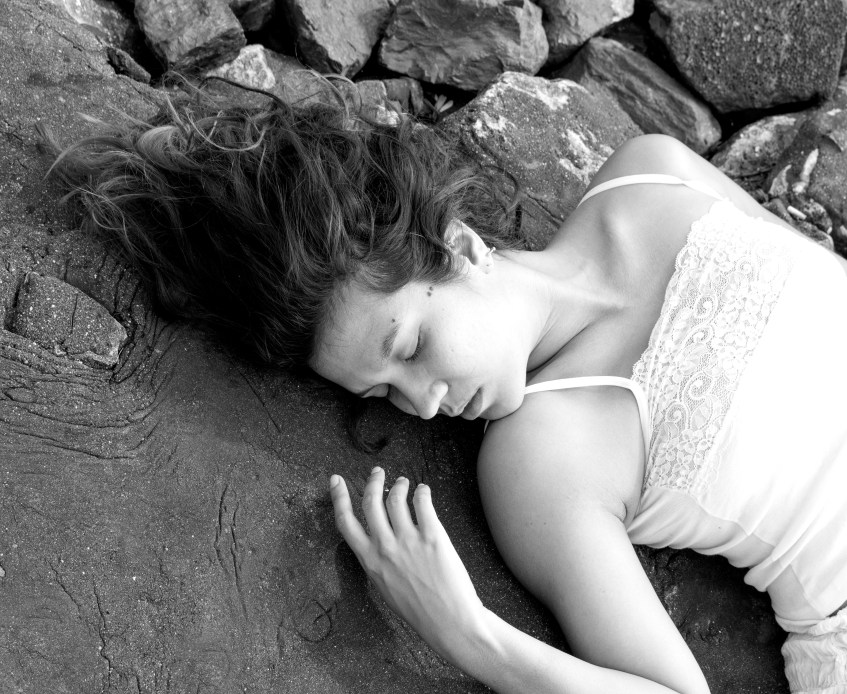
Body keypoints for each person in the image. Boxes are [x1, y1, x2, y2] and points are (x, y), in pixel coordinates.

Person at [41, 81, 847, 694]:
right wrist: (468, 634)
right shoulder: (540, 458)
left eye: (410, 348)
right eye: (385, 394)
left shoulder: (653, 171)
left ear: (458, 247)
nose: (423, 402)